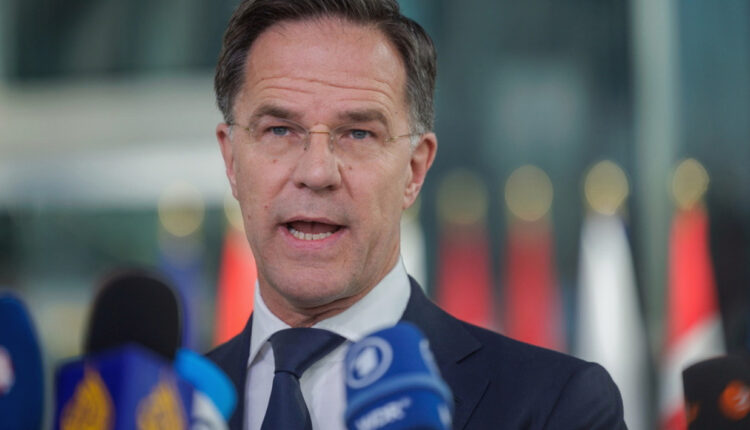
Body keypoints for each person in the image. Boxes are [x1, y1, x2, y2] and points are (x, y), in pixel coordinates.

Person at [207, 1, 626, 429]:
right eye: (279, 130)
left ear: (414, 169)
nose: (317, 172)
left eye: (358, 133)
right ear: (232, 160)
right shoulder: (174, 408)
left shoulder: (559, 405)